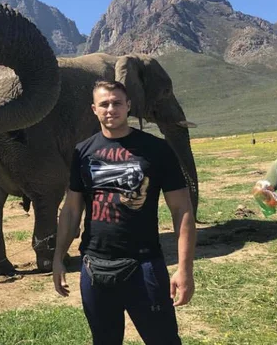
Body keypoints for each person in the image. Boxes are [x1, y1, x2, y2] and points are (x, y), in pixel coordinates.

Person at [53, 80, 196, 345]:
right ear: (94, 109)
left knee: (164, 340)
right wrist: (58, 257)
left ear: (128, 106)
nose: (111, 109)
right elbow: (72, 209)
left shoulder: (156, 149)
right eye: (104, 104)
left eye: (117, 103)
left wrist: (184, 268)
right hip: (93, 266)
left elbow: (182, 210)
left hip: (144, 266)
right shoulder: (82, 152)